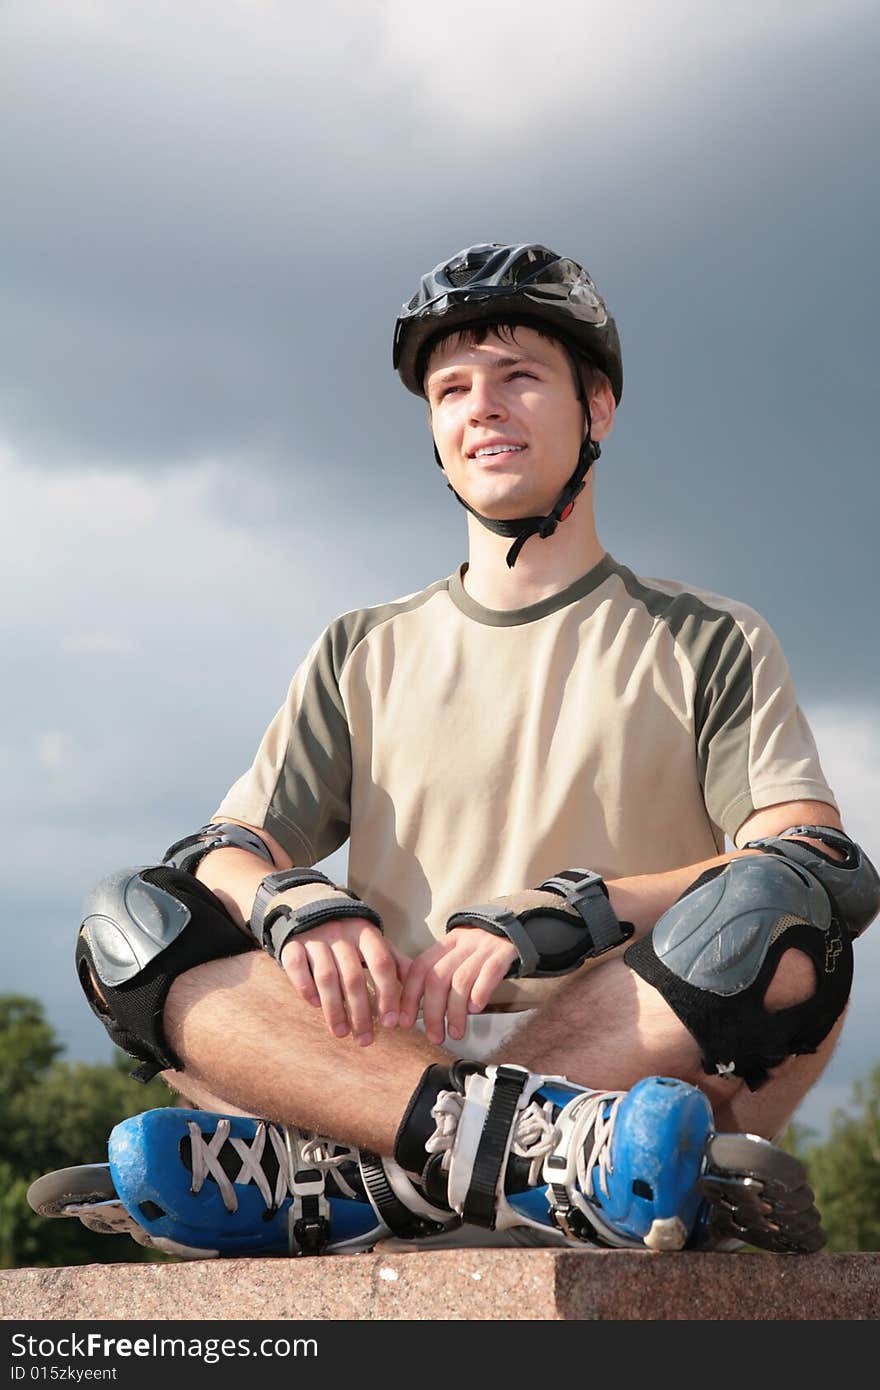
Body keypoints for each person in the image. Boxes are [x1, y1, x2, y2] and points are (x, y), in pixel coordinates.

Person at [30, 243, 879, 1261]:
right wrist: (290, 901)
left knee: (787, 915)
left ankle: (369, 1181)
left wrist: (580, 908)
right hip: (393, 1058)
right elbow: (223, 844)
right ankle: (499, 1156)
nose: (483, 406)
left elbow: (815, 863)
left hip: (624, 1057)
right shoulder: (363, 645)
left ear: (596, 408)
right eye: (452, 388)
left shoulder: (707, 636)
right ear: (434, 426)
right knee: (131, 924)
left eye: (519, 375)